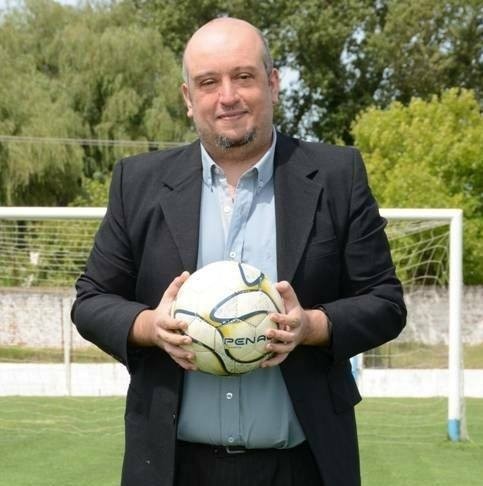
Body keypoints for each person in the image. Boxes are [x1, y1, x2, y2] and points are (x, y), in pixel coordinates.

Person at [72, 17, 406, 486]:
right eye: (208, 82)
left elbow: (386, 303)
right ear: (188, 98)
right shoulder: (138, 182)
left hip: (303, 467)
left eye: (243, 76)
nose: (227, 96)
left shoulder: (336, 176)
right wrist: (150, 327)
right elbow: (91, 301)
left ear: (273, 83)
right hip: (173, 469)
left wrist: (312, 326)